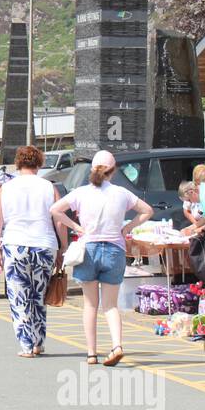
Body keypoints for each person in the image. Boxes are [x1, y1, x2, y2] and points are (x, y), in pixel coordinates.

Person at [51, 150, 154, 366]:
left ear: (92, 170)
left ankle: (91, 353)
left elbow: (55, 210)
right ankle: (117, 346)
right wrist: (128, 227)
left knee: (90, 305)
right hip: (114, 250)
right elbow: (147, 210)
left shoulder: (81, 193)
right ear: (113, 171)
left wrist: (77, 227)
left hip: (88, 250)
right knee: (110, 305)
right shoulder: (121, 193)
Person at [0, 146, 66, 358]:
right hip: (44, 244)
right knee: (39, 295)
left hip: (15, 245)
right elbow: (59, 221)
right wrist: (62, 248)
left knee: (19, 295)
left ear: (18, 162)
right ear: (39, 163)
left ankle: (26, 344)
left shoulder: (6, 188)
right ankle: (38, 342)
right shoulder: (49, 187)